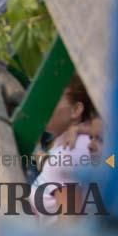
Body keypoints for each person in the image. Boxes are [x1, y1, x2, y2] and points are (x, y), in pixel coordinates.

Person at [29, 76, 100, 218]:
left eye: (53, 98)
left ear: (76, 110)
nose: (43, 104)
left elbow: (70, 224)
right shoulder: (63, 142)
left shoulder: (69, 150)